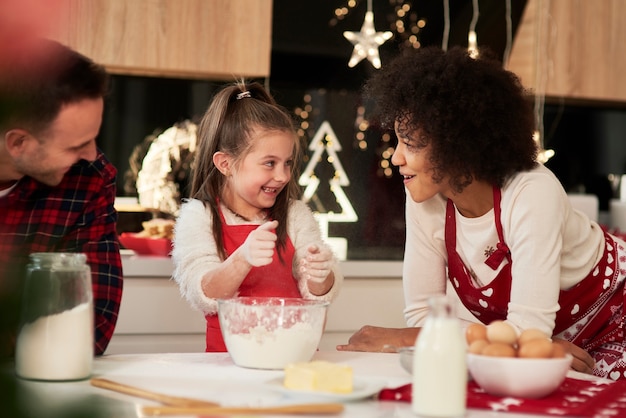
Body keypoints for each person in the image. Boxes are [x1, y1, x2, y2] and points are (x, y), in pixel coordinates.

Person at [337, 45, 622, 380]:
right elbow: (424, 317)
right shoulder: (424, 199)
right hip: (542, 348)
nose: (397, 158)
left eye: (410, 143)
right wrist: (523, 344)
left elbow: (527, 330)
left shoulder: (532, 192)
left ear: (459, 143)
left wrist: (400, 338)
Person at [172, 81, 343, 352]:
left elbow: (317, 293)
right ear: (225, 164)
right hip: (227, 366)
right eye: (269, 163)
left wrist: (321, 275)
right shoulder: (199, 216)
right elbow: (202, 292)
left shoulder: (295, 214)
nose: (283, 176)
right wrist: (242, 258)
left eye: (287, 162)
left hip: (294, 358)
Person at [0, 37, 123, 356]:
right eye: (75, 145)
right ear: (18, 143)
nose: (92, 154)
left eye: (94, 137)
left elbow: (90, 326)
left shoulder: (90, 179)